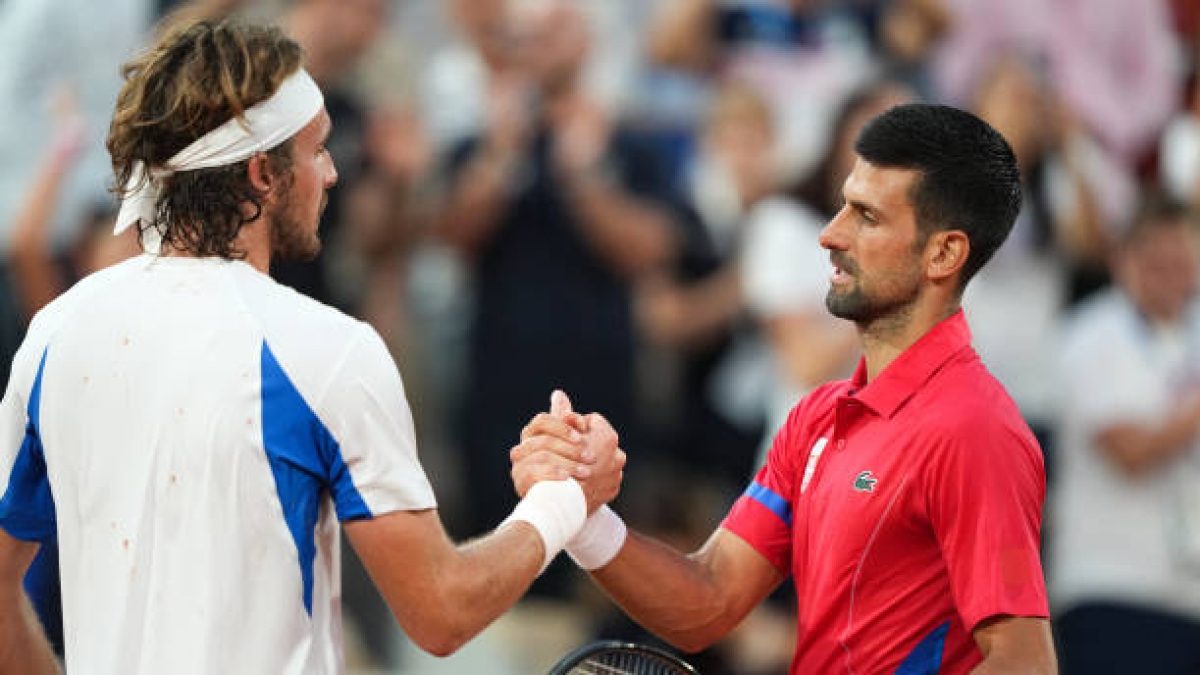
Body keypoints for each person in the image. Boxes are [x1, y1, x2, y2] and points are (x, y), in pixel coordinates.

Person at [0, 16, 623, 674]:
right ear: (263, 171)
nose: (328, 173)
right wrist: (564, 500)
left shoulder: (55, 334)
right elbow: (442, 610)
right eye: (314, 149)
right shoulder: (326, 351)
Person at [513, 103, 1057, 672]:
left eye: (866, 216)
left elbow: (1024, 665)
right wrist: (582, 513)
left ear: (943, 253)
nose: (830, 234)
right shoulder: (815, 418)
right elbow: (709, 599)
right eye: (842, 205)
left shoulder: (975, 429)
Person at [1051, 197, 1200, 674]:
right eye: (1157, 262)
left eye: (1181, 261)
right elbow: (1129, 451)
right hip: (1113, 585)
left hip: (1188, 595)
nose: (1171, 275)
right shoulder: (1093, 333)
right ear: (1124, 260)